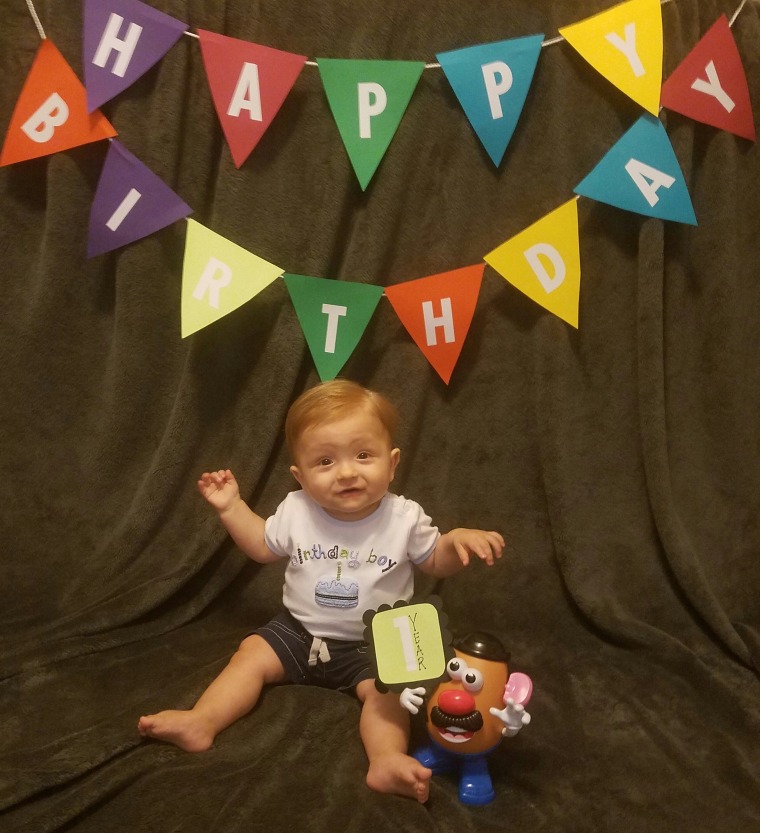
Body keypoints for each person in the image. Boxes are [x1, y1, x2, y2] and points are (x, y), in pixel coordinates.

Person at [138, 379, 504, 803]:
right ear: (301, 475)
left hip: (374, 646)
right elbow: (261, 547)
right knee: (250, 655)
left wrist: (454, 544)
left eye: (363, 455)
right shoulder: (296, 509)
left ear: (392, 462)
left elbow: (433, 560)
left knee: (389, 697)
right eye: (325, 461)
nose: (347, 471)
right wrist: (232, 508)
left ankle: (385, 762)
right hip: (296, 631)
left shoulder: (405, 517)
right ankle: (202, 721)